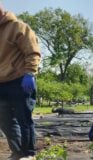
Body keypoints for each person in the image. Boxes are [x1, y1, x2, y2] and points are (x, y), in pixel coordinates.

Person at [0, 3, 41, 160]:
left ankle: (29, 154)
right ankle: (17, 152)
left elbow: (32, 51)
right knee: (4, 121)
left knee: (24, 118)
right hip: (1, 83)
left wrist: (30, 73)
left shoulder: (18, 27)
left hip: (20, 80)